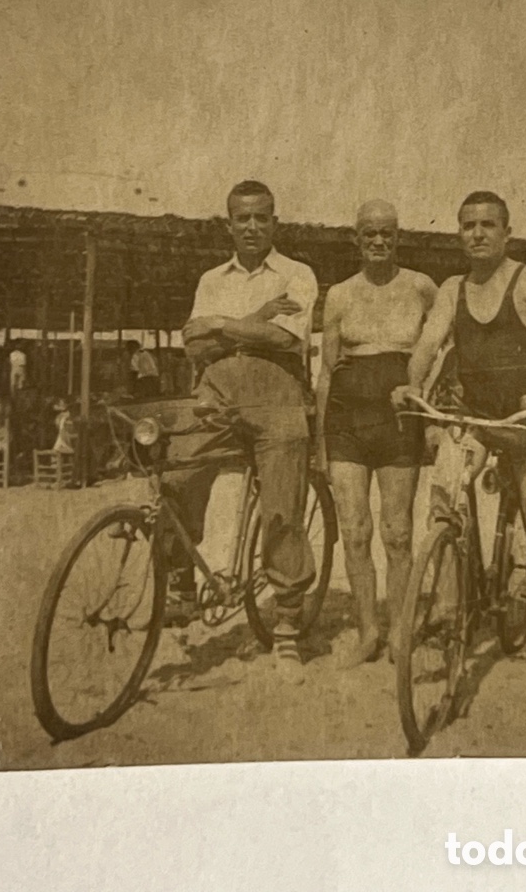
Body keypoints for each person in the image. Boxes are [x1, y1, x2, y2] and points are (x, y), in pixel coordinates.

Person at [162, 180, 318, 680]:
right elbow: (192, 345)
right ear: (228, 224)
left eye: (262, 217)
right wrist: (251, 320)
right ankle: (182, 586)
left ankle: (288, 626)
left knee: (281, 507)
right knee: (176, 476)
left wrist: (220, 326)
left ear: (275, 222)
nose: (252, 226)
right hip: (217, 390)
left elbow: (284, 338)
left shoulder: (298, 274)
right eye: (242, 219)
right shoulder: (211, 278)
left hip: (276, 394)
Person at [393, 191, 526, 602]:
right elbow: (426, 345)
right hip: (473, 418)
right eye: (468, 225)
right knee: (444, 498)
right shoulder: (452, 289)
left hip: (524, 419)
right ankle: (450, 602)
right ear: (459, 234)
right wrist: (413, 385)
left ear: (507, 233)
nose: (477, 233)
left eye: (487, 224)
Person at [317, 200, 437, 665]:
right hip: (346, 421)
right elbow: (327, 371)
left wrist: (423, 393)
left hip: (398, 420)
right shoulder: (341, 294)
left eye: (387, 233)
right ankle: (368, 630)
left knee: (398, 532)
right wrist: (321, 442)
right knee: (354, 530)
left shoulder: (420, 287)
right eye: (370, 234)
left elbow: (442, 345)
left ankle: (401, 630)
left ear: (398, 237)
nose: (379, 242)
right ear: (357, 239)